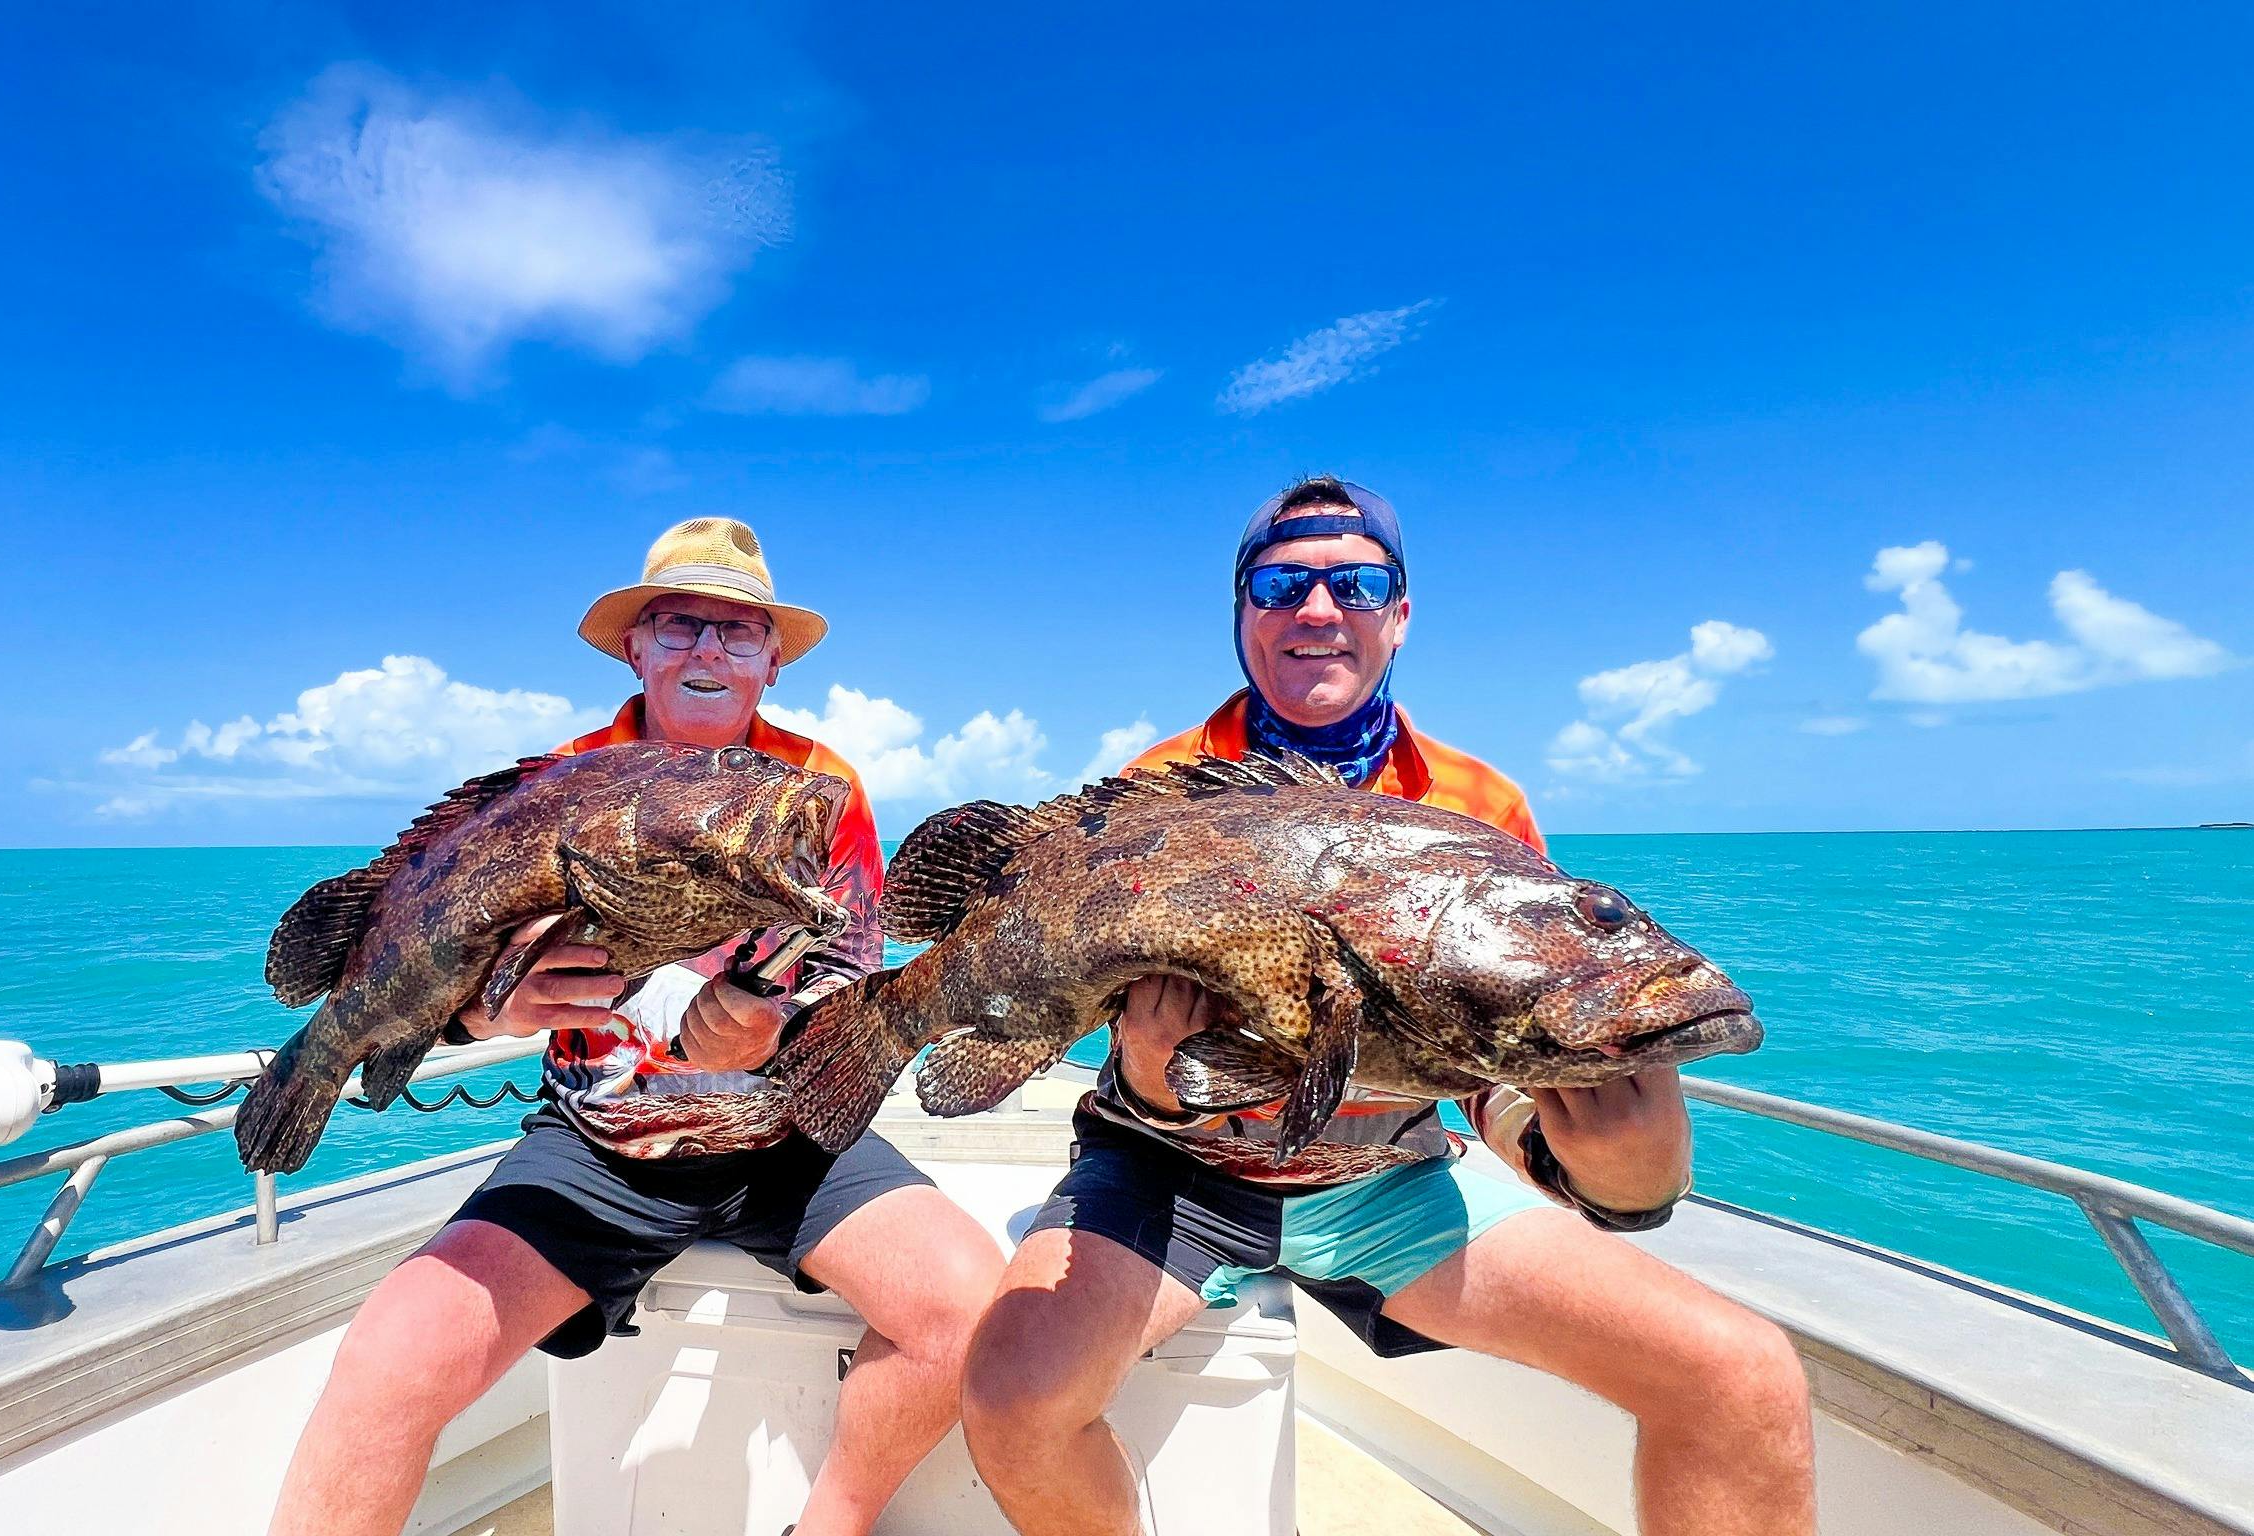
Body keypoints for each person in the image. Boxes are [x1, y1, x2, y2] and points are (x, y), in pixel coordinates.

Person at [957, 479, 1818, 1536]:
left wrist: (1614, 1172)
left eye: (1355, 582)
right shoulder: (1166, 790)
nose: (1318, 609)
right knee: (1013, 1402)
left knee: (1744, 1377)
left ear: (1397, 614)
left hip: (1392, 1178)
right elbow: (1100, 1011)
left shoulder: (1479, 808)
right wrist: (1151, 1078)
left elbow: (1485, 1072)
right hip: (1174, 1168)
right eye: (1281, 585)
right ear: (1244, 616)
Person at [268, 518, 1003, 1536]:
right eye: (681, 626)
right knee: (389, 1360)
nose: (709, 651)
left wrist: (760, 1033)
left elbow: (843, 996)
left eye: (738, 633)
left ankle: (827, 1526)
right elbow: (442, 982)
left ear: (773, 661)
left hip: (785, 1136)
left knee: (973, 1311)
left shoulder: (821, 793)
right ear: (636, 647)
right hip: (600, 1145)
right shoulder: (557, 784)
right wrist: (491, 1010)